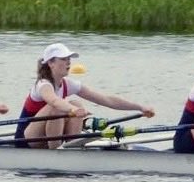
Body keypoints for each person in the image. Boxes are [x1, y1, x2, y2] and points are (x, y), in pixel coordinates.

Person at [15, 43, 156, 149]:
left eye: (69, 58)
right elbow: (54, 100)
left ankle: (71, 147)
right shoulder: (43, 85)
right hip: (25, 139)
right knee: (59, 108)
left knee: (77, 103)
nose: (68, 62)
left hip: (44, 136)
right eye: (63, 58)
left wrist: (140, 107)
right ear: (51, 63)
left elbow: (106, 100)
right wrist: (72, 110)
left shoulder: (68, 84)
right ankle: (56, 154)